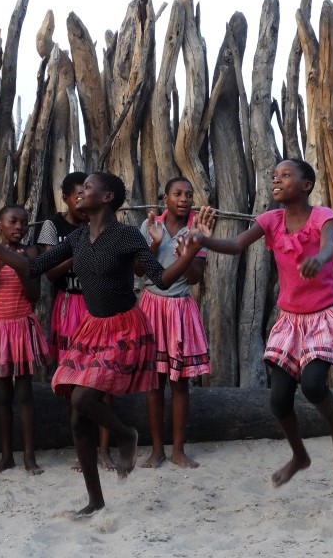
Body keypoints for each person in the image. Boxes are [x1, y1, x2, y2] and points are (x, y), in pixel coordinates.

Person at [0, 171, 204, 516]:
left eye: (89, 187)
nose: (81, 192)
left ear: (107, 197)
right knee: (78, 415)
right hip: (92, 329)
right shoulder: (78, 237)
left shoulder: (125, 236)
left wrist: (189, 253)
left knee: (82, 396)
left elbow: (161, 279)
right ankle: (95, 500)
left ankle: (126, 435)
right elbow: (32, 267)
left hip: (123, 328)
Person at [191, 158, 333, 487]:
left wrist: (319, 257)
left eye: (286, 175)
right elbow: (235, 245)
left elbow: (330, 245)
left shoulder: (322, 216)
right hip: (289, 321)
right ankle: (299, 455)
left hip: (323, 317)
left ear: (306, 186)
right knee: (278, 400)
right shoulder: (271, 220)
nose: (277, 179)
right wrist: (204, 241)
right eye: (274, 175)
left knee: (314, 384)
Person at [38, 172, 115, 472]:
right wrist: (79, 250)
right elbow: (50, 272)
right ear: (66, 198)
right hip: (69, 305)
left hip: (98, 306)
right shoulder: (52, 226)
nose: (82, 199)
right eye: (77, 194)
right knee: (74, 383)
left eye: (87, 192)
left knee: (105, 380)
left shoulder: (101, 225)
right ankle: (83, 451)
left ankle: (105, 451)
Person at [138, 176, 210, 469]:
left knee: (179, 383)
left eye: (189, 194)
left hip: (180, 309)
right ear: (165, 198)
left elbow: (195, 278)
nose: (184, 199)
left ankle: (178, 450)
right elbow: (141, 269)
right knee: (153, 383)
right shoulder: (149, 226)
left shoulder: (198, 231)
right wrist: (154, 245)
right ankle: (157, 450)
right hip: (151, 308)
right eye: (177, 193)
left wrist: (189, 253)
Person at [0, 204, 48, 475]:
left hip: (21, 328)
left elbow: (33, 295)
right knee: (2, 395)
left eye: (24, 223)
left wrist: (18, 266)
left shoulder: (30, 253)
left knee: (25, 394)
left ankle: (29, 456)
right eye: (13, 222)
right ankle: (6, 456)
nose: (19, 227)